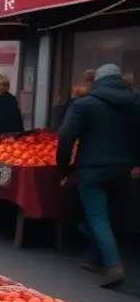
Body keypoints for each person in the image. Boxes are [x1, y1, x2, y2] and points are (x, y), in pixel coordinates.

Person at [57, 63, 140, 288]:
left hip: (91, 169)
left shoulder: (84, 104)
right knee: (106, 215)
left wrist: (64, 168)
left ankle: (114, 265)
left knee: (97, 216)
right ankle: (95, 259)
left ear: (97, 81)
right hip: (123, 170)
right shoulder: (135, 103)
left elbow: (66, 137)